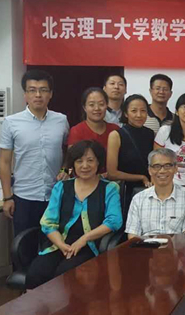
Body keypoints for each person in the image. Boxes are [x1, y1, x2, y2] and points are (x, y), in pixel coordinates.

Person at [25, 141, 122, 289]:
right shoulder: (61, 187)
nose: (85, 166)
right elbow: (48, 222)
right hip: (59, 244)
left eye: (90, 160)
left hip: (89, 247)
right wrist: (61, 245)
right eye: (79, 161)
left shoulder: (110, 188)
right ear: (73, 164)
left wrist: (84, 239)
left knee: (66, 275)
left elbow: (114, 221)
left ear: (98, 163)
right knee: (36, 273)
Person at [0, 70, 69, 236]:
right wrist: (8, 197)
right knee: (24, 245)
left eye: (43, 90)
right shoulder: (10, 122)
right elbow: (4, 162)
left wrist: (65, 169)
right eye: (32, 90)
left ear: (50, 94)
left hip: (55, 195)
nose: (38, 95)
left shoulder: (61, 120)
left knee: (53, 244)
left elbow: (69, 150)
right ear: (25, 94)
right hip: (24, 197)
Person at [126, 148, 185, 238]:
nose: (162, 171)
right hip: (145, 246)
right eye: (156, 166)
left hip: (177, 246)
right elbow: (133, 236)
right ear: (149, 170)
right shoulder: (138, 199)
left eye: (167, 166)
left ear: (176, 168)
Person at [106, 95, 155, 210]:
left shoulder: (151, 134)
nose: (139, 115)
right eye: (134, 111)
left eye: (143, 111)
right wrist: (141, 177)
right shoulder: (116, 135)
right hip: (125, 192)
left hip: (148, 190)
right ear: (126, 113)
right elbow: (112, 173)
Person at [154, 93, 185, 186]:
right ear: (176, 112)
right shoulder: (165, 131)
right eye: (184, 106)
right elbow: (155, 160)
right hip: (165, 184)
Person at [68, 87, 119, 151]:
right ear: (84, 107)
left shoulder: (115, 130)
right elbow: (72, 156)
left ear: (106, 106)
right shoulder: (77, 131)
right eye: (91, 105)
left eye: (101, 104)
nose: (97, 108)